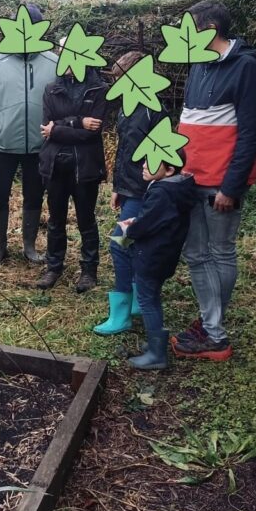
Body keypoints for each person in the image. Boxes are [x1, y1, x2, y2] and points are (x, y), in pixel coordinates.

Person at [170, 1, 256, 361]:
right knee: (194, 252)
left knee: (220, 250)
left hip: (220, 182)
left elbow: (250, 133)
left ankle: (214, 334)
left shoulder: (246, 67)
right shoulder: (197, 65)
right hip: (189, 178)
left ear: (209, 29)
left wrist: (232, 186)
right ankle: (211, 323)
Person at [0, 3, 58, 266]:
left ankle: (29, 247)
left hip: (39, 144)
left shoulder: (53, 62)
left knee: (34, 194)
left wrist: (56, 126)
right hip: (2, 144)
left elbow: (63, 98)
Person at [94, 51, 153, 334]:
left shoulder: (153, 110)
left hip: (146, 194)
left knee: (120, 244)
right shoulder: (128, 108)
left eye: (121, 78)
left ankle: (122, 314)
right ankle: (137, 302)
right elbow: (123, 154)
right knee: (130, 246)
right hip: (131, 191)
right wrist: (119, 187)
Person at [116, 160, 196, 370]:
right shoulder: (179, 186)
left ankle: (157, 354)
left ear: (169, 170)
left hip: (152, 256)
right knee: (152, 296)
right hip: (165, 254)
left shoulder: (163, 192)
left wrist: (129, 230)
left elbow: (147, 223)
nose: (144, 165)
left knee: (147, 300)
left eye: (151, 162)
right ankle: (154, 344)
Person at [36, 64, 109, 293]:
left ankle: (89, 271)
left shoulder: (99, 89)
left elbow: (92, 132)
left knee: (86, 220)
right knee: (56, 220)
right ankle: (53, 267)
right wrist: (78, 122)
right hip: (56, 164)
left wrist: (59, 127)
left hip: (85, 165)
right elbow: (46, 126)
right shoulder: (51, 89)